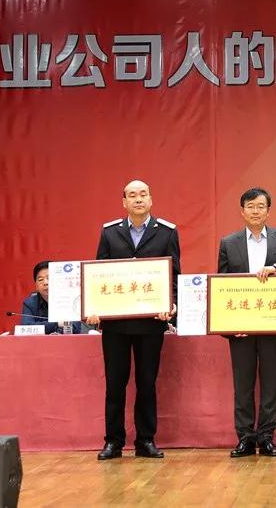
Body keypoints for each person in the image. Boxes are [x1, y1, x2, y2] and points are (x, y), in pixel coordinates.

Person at [86, 180, 180, 461]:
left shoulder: (167, 232)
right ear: (124, 202)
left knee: (147, 382)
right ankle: (113, 442)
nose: (138, 199)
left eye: (143, 194)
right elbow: (98, 275)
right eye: (132, 195)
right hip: (115, 324)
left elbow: (174, 275)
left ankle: (146, 440)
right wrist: (94, 309)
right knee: (115, 383)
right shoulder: (110, 232)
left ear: (151, 199)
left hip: (151, 321)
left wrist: (171, 305)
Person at [218, 188, 276, 458]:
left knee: (270, 383)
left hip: (273, 323)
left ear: (268, 211)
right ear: (242, 211)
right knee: (242, 385)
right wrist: (229, 327)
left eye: (260, 206)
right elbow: (222, 285)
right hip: (241, 328)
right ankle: (245, 438)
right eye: (250, 206)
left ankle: (267, 437)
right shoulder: (228, 243)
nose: (255, 211)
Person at [21, 261, 83, 334]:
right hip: (40, 341)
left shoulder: (70, 299)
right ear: (36, 286)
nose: (45, 283)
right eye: (40, 280)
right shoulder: (30, 304)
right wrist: (56, 324)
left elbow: (75, 327)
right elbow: (26, 327)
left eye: (49, 278)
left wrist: (57, 333)